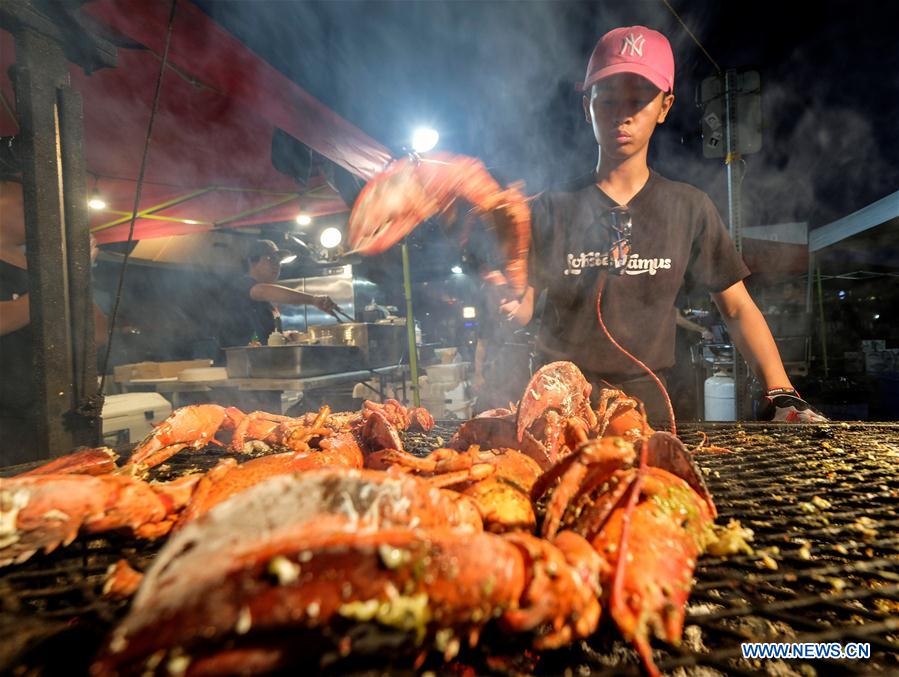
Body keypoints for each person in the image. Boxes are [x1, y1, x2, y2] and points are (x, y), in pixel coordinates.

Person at [499, 26, 824, 424]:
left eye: (639, 99)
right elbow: (521, 307)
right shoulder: (550, 206)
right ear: (587, 106)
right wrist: (499, 291)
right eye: (608, 99)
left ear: (665, 106)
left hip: (645, 407)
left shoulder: (689, 207)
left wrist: (780, 392)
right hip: (558, 403)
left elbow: (737, 308)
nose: (623, 114)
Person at [1, 149, 108, 464]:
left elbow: (97, 334)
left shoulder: (41, 267)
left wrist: (76, 277)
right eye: (22, 192)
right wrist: (61, 277)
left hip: (57, 416)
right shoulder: (52, 274)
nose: (34, 203)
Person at [218, 239, 344, 349]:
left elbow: (260, 336)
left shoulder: (265, 303)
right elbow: (262, 291)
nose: (276, 265)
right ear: (252, 262)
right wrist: (314, 300)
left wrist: (283, 336)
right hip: (235, 363)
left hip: (259, 362)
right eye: (270, 259)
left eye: (278, 261)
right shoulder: (242, 285)